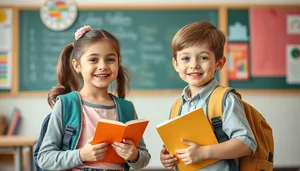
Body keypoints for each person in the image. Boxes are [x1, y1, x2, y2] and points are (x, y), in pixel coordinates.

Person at [37, 25, 150, 171]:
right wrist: (81, 155)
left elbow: (144, 159)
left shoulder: (126, 108)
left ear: (118, 62)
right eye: (93, 60)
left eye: (110, 59)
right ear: (77, 65)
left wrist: (133, 155)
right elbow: (44, 158)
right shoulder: (67, 104)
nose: (102, 66)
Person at [159, 21, 257, 170]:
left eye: (203, 58)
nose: (194, 65)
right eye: (186, 58)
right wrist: (167, 157)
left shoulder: (225, 99)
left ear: (219, 63)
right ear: (176, 64)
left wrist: (204, 152)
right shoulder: (178, 106)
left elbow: (246, 143)